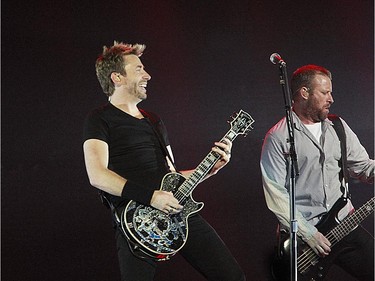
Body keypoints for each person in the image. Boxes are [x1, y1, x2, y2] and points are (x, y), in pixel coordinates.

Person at [83, 41, 245, 281]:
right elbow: (97, 175)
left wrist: (211, 170)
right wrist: (151, 197)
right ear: (117, 77)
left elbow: (172, 177)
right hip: (137, 222)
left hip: (178, 213)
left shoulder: (153, 120)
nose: (147, 75)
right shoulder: (99, 119)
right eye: (138, 69)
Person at [260, 64, 374, 280]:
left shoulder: (338, 126)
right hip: (306, 240)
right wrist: (309, 234)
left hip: (345, 223)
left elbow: (364, 167)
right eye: (324, 92)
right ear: (304, 93)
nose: (331, 98)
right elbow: (276, 194)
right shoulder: (278, 137)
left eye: (330, 92)